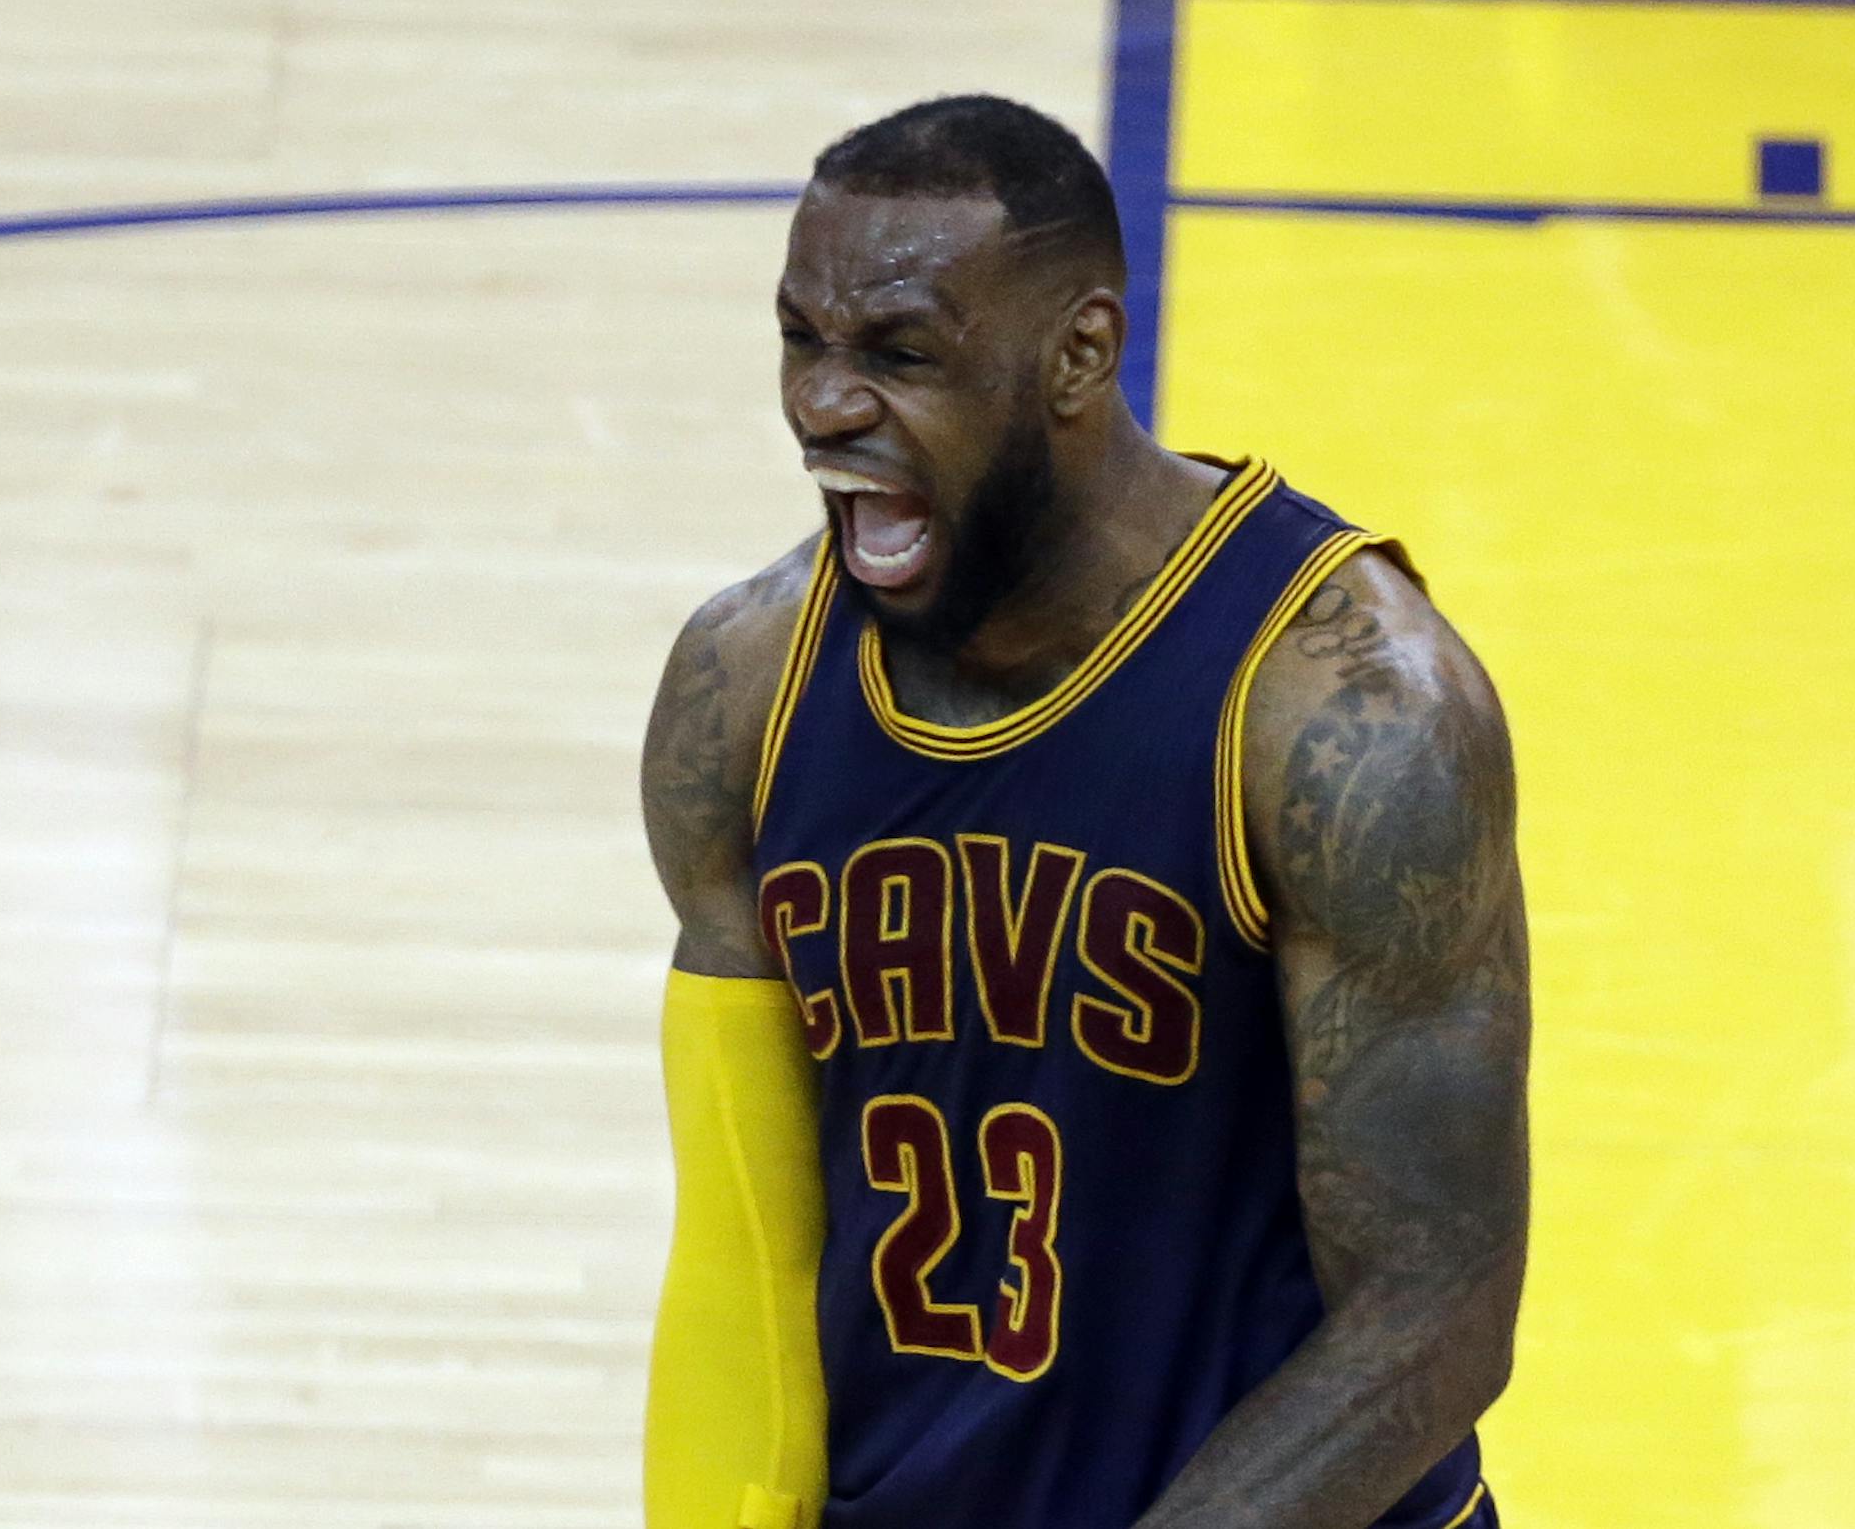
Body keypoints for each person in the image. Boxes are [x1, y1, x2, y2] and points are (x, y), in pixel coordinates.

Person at [639, 94, 1528, 1529]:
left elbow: (1434, 1314)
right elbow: (745, 1243)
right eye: (803, 337)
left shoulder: (1341, 713)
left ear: (1080, 354)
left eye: (900, 352)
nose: (822, 403)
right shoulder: (741, 690)